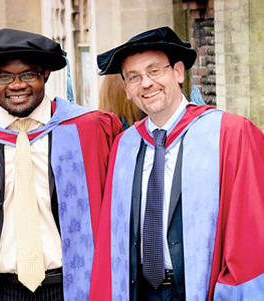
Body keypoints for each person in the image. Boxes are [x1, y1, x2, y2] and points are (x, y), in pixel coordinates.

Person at [0, 28, 122, 300]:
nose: (17, 85)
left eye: (28, 74)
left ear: (46, 75)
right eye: (4, 75)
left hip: (71, 286)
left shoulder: (89, 130)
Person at [89, 26, 264, 300]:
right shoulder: (125, 146)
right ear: (126, 89)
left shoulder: (229, 133)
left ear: (178, 72)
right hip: (138, 291)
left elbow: (251, 232)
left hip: (202, 290)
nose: (146, 83)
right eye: (134, 77)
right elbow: (111, 240)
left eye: (155, 70)